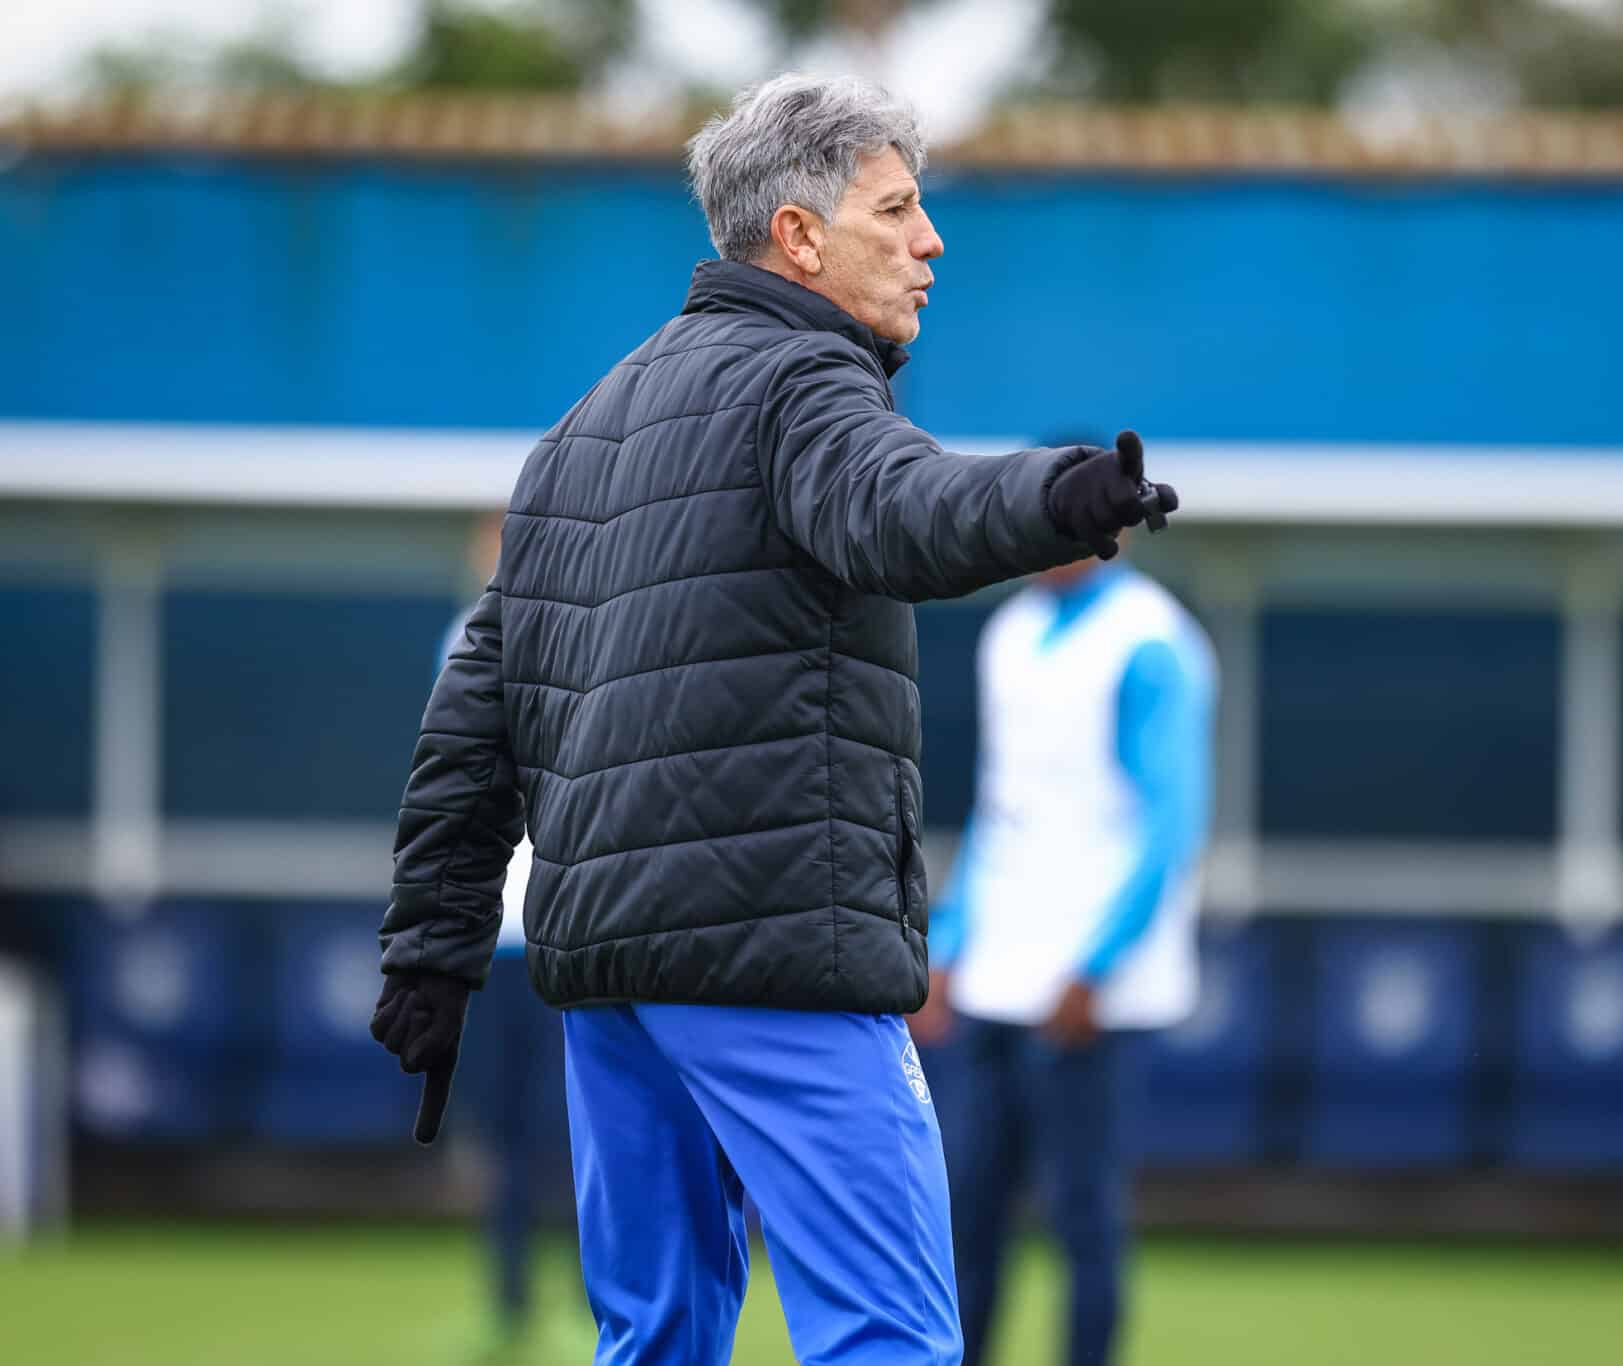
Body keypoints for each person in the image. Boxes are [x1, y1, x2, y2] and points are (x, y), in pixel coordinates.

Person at [368, 73, 1179, 1366]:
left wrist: (431, 948)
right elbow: (903, 504)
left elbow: (478, 715)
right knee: (888, 1334)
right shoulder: (805, 381)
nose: (933, 241)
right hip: (774, 959)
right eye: (899, 209)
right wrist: (1060, 496)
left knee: (656, 1333)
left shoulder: (579, 432)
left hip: (611, 986)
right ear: (799, 236)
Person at [910, 538, 1216, 1366]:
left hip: (1092, 995)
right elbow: (1001, 807)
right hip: (997, 978)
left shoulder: (1152, 641)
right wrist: (949, 943)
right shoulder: (1007, 632)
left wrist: (1097, 966)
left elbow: (1172, 825)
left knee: (1084, 1220)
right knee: (967, 1214)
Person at [436, 510, 575, 1352]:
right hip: (495, 943)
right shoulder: (464, 640)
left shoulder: (581, 629)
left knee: (580, 1135)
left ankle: (605, 1297)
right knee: (505, 1137)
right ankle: (513, 1299)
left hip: (568, 936)